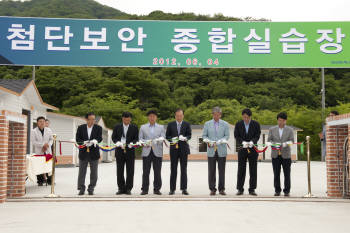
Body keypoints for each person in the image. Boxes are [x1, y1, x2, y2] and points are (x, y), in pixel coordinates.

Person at [202, 107, 230, 196]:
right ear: (212, 114)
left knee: (222, 170)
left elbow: (227, 136)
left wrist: (221, 140)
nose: (216, 116)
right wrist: (209, 141)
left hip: (221, 149)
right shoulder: (207, 124)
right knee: (211, 170)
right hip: (211, 150)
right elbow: (204, 136)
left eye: (218, 114)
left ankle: (221, 189)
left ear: (220, 115)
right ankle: (212, 189)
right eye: (215, 114)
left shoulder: (225, 124)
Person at [234, 108, 261, 196]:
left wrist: (252, 141)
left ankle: (252, 189)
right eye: (244, 117)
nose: (245, 119)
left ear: (250, 117)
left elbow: (258, 134)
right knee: (241, 169)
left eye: (247, 117)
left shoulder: (256, 124)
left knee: (253, 169)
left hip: (253, 149)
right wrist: (242, 142)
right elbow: (236, 135)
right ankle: (240, 189)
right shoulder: (238, 124)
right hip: (242, 149)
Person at [267, 112, 294, 197]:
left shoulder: (290, 130)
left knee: (287, 174)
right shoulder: (272, 129)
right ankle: (277, 190)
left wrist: (286, 143)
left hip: (286, 155)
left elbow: (292, 141)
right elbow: (269, 141)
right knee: (276, 173)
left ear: (285, 121)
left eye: (282, 121)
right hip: (275, 155)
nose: (280, 122)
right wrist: (274, 144)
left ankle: (287, 191)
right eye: (279, 120)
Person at [166, 108, 192, 195]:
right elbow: (167, 136)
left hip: (184, 149)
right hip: (173, 150)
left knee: (183, 169)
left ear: (183, 116)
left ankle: (184, 188)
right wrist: (172, 139)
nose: (179, 117)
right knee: (173, 169)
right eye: (177, 116)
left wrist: (185, 138)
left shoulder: (186, 124)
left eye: (180, 115)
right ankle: (172, 189)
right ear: (175, 116)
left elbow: (189, 135)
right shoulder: (170, 124)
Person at [139, 110, 165, 195]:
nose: (152, 118)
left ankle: (157, 189)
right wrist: (147, 142)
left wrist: (158, 140)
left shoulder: (161, 127)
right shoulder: (143, 127)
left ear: (156, 117)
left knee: (157, 171)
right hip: (147, 151)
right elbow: (140, 139)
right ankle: (144, 189)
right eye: (150, 116)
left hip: (157, 151)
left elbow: (163, 138)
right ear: (148, 117)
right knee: (146, 172)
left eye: (153, 116)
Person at [112, 112, 139, 195]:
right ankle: (121, 188)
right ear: (122, 119)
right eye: (125, 119)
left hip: (130, 151)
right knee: (119, 171)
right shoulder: (117, 127)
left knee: (130, 171)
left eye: (128, 119)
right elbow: (114, 137)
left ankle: (128, 188)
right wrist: (117, 142)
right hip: (120, 150)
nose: (126, 121)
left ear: (130, 119)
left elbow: (136, 138)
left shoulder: (134, 127)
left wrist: (132, 143)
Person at [76, 112, 102, 195]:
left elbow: (100, 138)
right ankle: (81, 188)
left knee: (94, 172)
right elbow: (77, 139)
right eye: (90, 119)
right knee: (82, 172)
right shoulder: (81, 127)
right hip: (83, 152)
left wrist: (96, 141)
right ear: (86, 119)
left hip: (94, 152)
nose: (92, 121)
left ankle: (91, 188)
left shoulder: (98, 128)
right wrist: (84, 142)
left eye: (94, 119)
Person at [31, 116, 53, 186]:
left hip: (48, 151)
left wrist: (47, 145)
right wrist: (43, 145)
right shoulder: (34, 131)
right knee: (39, 166)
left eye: (43, 121)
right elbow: (33, 142)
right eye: (40, 121)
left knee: (49, 165)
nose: (42, 123)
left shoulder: (49, 130)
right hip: (39, 151)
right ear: (37, 122)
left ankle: (50, 180)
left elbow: (51, 139)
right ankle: (40, 181)